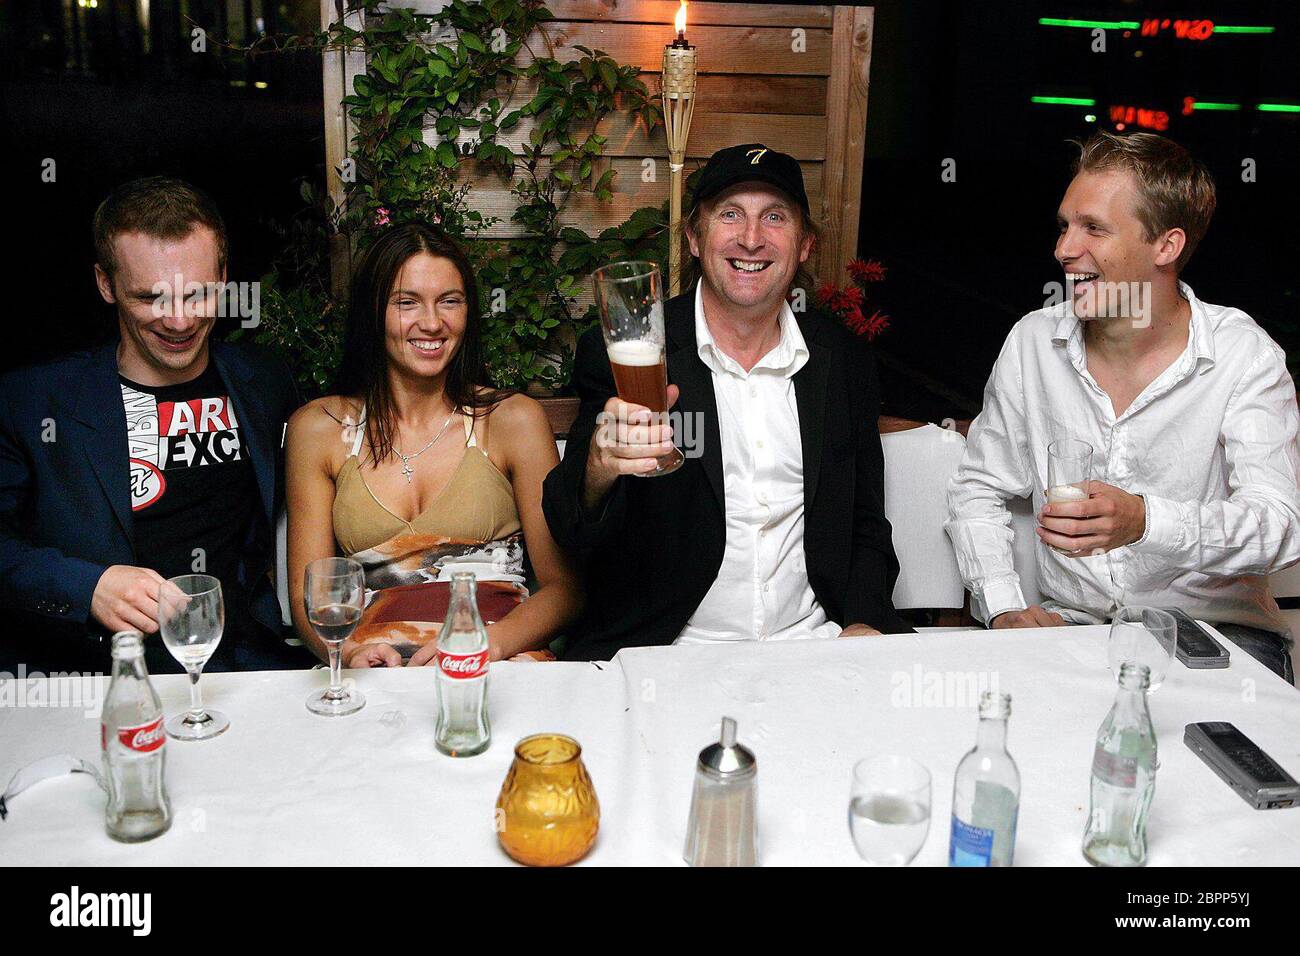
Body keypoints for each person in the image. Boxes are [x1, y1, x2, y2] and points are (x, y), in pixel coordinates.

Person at [946, 131, 1300, 683]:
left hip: (1215, 635)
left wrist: (1144, 521)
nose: (1065, 249)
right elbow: (979, 489)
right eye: (1065, 226)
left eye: (1094, 228)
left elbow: (1281, 528)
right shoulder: (1034, 342)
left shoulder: (1242, 354)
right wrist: (1004, 608)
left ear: (1166, 246)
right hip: (1076, 628)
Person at [543, 143, 910, 661]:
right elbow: (569, 531)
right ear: (694, 236)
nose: (752, 238)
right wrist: (598, 470)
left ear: (804, 244)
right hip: (669, 653)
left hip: (813, 645)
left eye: (775, 217)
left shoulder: (842, 359)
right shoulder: (633, 352)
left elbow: (866, 519)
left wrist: (866, 623)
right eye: (730, 214)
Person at [0, 176, 305, 674]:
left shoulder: (266, 380)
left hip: (246, 670)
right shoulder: (32, 401)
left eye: (198, 295)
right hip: (99, 677)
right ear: (105, 283)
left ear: (224, 275)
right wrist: (87, 586)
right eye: (150, 298)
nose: (179, 321)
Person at [285, 222, 582, 666]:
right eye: (407, 303)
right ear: (373, 313)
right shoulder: (319, 429)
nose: (431, 323)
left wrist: (486, 646)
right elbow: (308, 595)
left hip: (498, 665)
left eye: (450, 302)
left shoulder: (511, 421)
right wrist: (349, 654)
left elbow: (564, 590)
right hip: (377, 674)